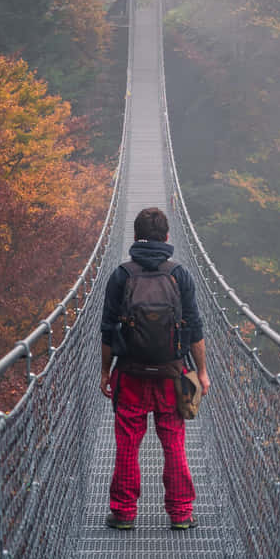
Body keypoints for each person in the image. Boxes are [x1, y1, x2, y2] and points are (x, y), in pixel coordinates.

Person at [100, 207, 210, 530]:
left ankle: (123, 513)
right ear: (166, 237)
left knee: (127, 445)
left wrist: (105, 372)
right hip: (172, 376)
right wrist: (201, 372)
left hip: (130, 374)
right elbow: (196, 330)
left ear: (134, 237)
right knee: (174, 443)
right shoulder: (180, 275)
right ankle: (180, 514)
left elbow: (108, 331)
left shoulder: (121, 275)